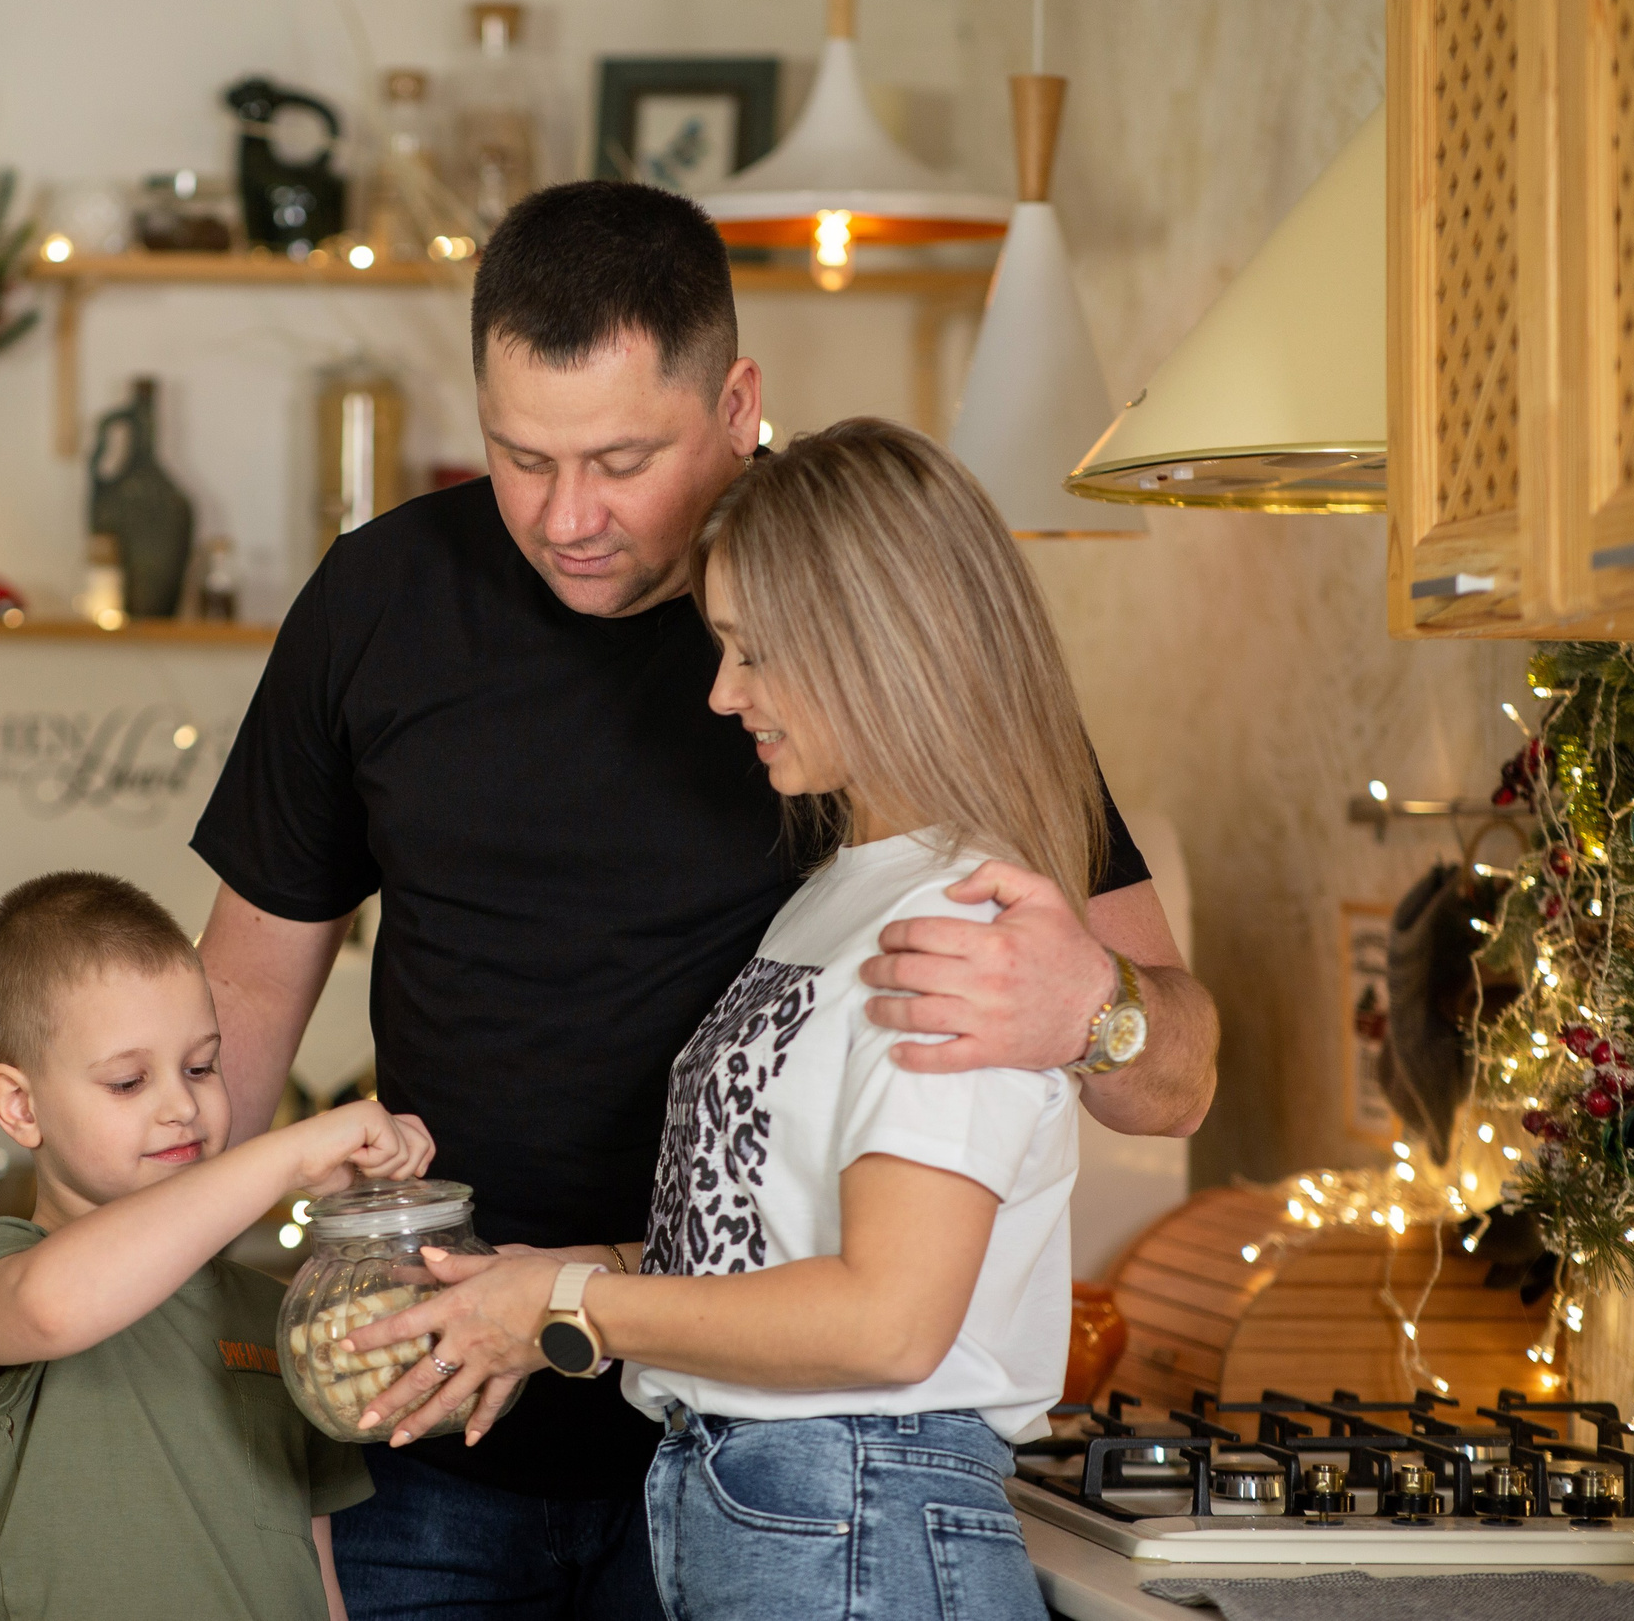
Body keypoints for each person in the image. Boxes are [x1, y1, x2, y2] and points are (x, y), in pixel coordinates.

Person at [191, 180, 1218, 1620]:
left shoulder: (867, 619)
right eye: (518, 457)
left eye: (621, 458)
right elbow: (239, 998)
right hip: (431, 1419)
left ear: (738, 402)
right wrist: (139, 1292)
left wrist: (1097, 1013)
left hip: (755, 1454)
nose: (567, 519)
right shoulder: (381, 603)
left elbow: (1164, 1085)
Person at [346, 418, 1090, 1620]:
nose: (720, 690)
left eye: (752, 651)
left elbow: (888, 1321)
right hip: (763, 1505)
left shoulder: (961, 921)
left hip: (857, 1512)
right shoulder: (839, 894)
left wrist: (568, 1309)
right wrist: (551, 1279)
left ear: (874, 646)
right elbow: (772, 1254)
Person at [0, 870, 437, 1621]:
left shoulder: (283, 1314)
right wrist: (288, 1157)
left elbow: (317, 1563)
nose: (182, 1105)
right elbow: (51, 1307)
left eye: (202, 1067)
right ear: (21, 1105)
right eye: (129, 1082)